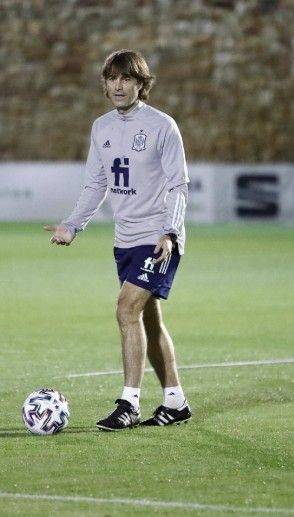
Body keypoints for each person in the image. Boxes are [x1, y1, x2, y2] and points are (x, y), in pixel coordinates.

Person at [44, 49, 191, 431]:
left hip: (157, 238)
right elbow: (96, 183)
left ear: (141, 84)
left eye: (126, 78)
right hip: (125, 239)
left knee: (126, 310)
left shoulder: (162, 126)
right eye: (112, 79)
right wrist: (72, 226)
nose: (118, 86)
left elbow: (178, 184)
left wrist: (170, 231)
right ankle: (175, 401)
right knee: (148, 321)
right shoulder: (102, 127)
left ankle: (129, 404)